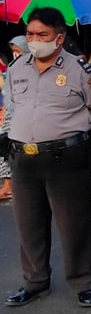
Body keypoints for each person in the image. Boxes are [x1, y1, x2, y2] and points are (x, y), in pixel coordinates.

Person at [4, 7, 91, 308]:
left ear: (59, 38)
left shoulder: (80, 71)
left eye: (42, 34)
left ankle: (83, 283)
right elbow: (13, 109)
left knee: (73, 225)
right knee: (29, 225)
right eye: (30, 34)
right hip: (23, 159)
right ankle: (35, 282)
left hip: (66, 160)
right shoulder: (16, 69)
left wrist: (77, 142)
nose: (35, 40)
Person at [0, 36, 28, 200]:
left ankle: (17, 186)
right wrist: (3, 111)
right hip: (9, 115)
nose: (16, 54)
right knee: (4, 150)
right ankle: (8, 185)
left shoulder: (34, 69)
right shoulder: (12, 67)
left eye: (18, 51)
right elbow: (7, 94)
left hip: (22, 116)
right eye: (14, 51)